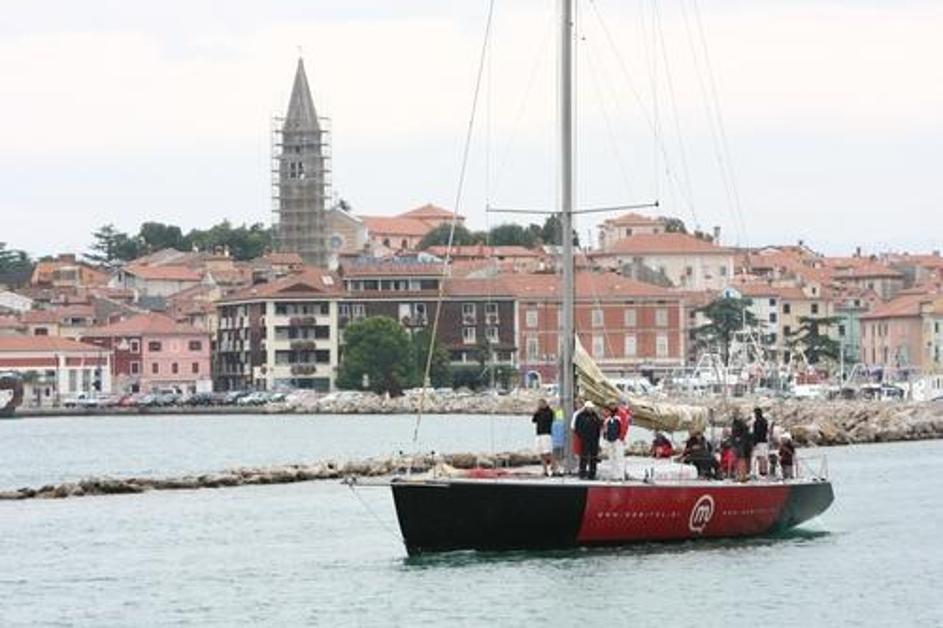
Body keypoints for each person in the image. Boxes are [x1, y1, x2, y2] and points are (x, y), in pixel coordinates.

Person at [573, 400, 602, 479]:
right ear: (586, 408)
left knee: (593, 457)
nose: (590, 409)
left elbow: (599, 426)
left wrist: (597, 437)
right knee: (584, 456)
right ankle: (582, 473)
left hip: (594, 439)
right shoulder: (580, 416)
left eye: (591, 408)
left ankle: (592, 474)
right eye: (589, 408)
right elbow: (577, 427)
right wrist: (581, 436)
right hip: (584, 439)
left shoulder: (595, 416)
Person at [602, 402, 625, 480]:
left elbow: (623, 428)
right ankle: (613, 474)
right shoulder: (607, 420)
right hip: (609, 440)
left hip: (617, 440)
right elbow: (605, 430)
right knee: (611, 458)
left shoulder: (619, 418)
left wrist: (621, 438)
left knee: (619, 457)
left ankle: (620, 475)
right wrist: (605, 437)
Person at [532, 398, 554, 477]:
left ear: (545, 404)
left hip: (546, 434)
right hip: (539, 434)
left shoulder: (549, 412)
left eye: (541, 404)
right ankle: (545, 470)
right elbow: (534, 420)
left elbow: (548, 419)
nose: (540, 405)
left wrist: (541, 412)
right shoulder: (538, 412)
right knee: (541, 453)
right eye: (539, 404)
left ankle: (555, 468)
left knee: (547, 452)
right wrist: (536, 412)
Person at [731, 409, 752, 482]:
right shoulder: (736, 423)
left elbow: (744, 433)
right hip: (738, 444)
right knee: (739, 459)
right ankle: (740, 474)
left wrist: (739, 438)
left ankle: (742, 475)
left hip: (740, 444)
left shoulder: (740, 423)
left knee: (740, 459)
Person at [752, 407, 770, 477]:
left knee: (761, 457)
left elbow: (757, 433)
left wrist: (754, 442)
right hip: (764, 441)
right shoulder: (764, 421)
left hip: (759, 441)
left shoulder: (757, 422)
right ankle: (763, 471)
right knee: (763, 457)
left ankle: (762, 472)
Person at [550, 407, 566, 475]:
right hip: (561, 442)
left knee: (555, 456)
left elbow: (552, 433)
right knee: (561, 457)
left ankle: (555, 469)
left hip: (555, 443)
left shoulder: (553, 423)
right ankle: (560, 469)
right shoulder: (563, 423)